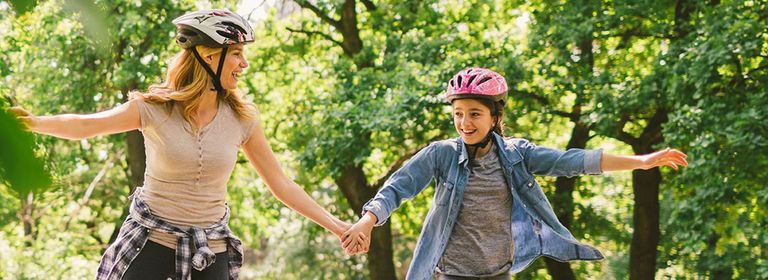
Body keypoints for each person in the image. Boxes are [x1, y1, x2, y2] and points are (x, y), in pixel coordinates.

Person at [9, 9, 360, 280]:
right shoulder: (153, 109)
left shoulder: (243, 119)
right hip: (150, 245)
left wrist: (339, 226)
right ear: (210, 55)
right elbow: (86, 126)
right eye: (236, 53)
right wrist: (31, 124)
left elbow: (281, 184)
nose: (244, 64)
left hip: (210, 251)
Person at [341, 67, 688, 280]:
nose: (465, 123)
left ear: (494, 117)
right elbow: (397, 187)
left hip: (498, 273)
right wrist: (367, 221)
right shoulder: (442, 155)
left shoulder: (517, 156)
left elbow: (574, 160)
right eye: (458, 113)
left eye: (475, 114)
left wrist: (641, 162)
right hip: (450, 274)